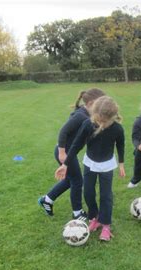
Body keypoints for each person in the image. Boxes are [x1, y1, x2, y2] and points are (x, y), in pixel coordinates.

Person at [55, 96, 125, 241]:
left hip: (106, 165)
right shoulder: (88, 124)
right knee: (88, 192)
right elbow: (76, 145)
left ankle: (106, 224)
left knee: (106, 195)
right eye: (98, 119)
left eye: (104, 121)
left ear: (112, 118)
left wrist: (122, 164)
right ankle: (95, 217)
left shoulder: (117, 129)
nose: (100, 123)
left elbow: (120, 145)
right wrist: (65, 164)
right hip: (90, 163)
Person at [38, 88, 106, 220]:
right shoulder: (80, 116)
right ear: (91, 103)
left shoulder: (87, 115)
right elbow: (63, 132)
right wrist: (62, 153)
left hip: (70, 152)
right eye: (100, 105)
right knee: (77, 181)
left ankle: (47, 200)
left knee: (70, 180)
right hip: (65, 153)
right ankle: (77, 212)